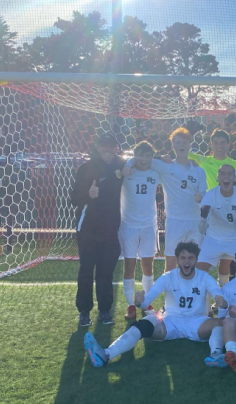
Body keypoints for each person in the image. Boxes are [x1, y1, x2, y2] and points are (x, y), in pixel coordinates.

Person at [83, 241, 227, 368]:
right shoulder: (168, 277)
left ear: (196, 259)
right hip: (171, 321)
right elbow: (147, 301)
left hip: (197, 322)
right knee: (144, 323)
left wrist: (222, 303)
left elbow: (218, 296)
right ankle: (106, 354)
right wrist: (139, 302)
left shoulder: (205, 278)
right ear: (177, 259)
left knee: (218, 324)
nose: (186, 262)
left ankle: (216, 355)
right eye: (183, 258)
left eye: (190, 258)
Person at [71, 132, 125, 327]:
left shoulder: (121, 166)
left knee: (105, 271)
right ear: (98, 147)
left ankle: (105, 310)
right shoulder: (85, 168)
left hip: (110, 229)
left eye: (112, 147)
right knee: (86, 270)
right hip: (88, 229)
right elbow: (73, 199)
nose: (109, 150)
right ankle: (84, 311)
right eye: (105, 146)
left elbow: (144, 159)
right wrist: (88, 194)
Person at [134, 127, 207, 272]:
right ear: (173, 145)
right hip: (175, 220)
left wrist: (201, 197)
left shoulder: (198, 170)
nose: (181, 145)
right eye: (178, 142)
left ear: (189, 145)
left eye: (184, 142)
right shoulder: (166, 166)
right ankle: (170, 295)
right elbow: (138, 159)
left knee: (194, 263)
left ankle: (190, 294)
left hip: (195, 221)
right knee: (171, 264)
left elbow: (204, 192)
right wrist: (160, 157)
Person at [196, 165, 236, 286]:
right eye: (222, 174)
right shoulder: (210, 196)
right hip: (213, 239)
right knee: (198, 272)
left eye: (229, 174)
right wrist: (203, 217)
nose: (226, 177)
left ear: (234, 178)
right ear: (217, 177)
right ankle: (205, 303)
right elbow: (201, 230)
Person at [119, 141, 159, 320]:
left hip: (149, 226)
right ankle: (130, 305)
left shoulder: (155, 172)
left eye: (148, 155)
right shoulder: (125, 171)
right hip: (128, 226)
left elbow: (167, 163)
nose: (144, 159)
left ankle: (145, 301)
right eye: (140, 155)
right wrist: (127, 164)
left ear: (152, 156)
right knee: (129, 265)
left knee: (148, 265)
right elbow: (119, 163)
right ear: (135, 156)